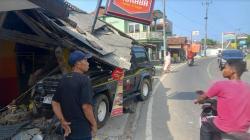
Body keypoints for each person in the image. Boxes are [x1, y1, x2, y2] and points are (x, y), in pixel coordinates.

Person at [195, 60, 250, 140]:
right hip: (244, 129)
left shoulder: (220, 85)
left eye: (225, 68)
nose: (222, 70)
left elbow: (203, 97)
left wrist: (198, 100)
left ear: (232, 71)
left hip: (225, 127)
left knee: (205, 123)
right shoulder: (247, 87)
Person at [52, 50, 97, 140]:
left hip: (68, 129)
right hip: (82, 131)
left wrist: (62, 121)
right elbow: (86, 107)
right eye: (86, 60)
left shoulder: (63, 79)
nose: (88, 63)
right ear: (78, 63)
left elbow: (55, 102)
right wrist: (94, 124)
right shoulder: (85, 80)